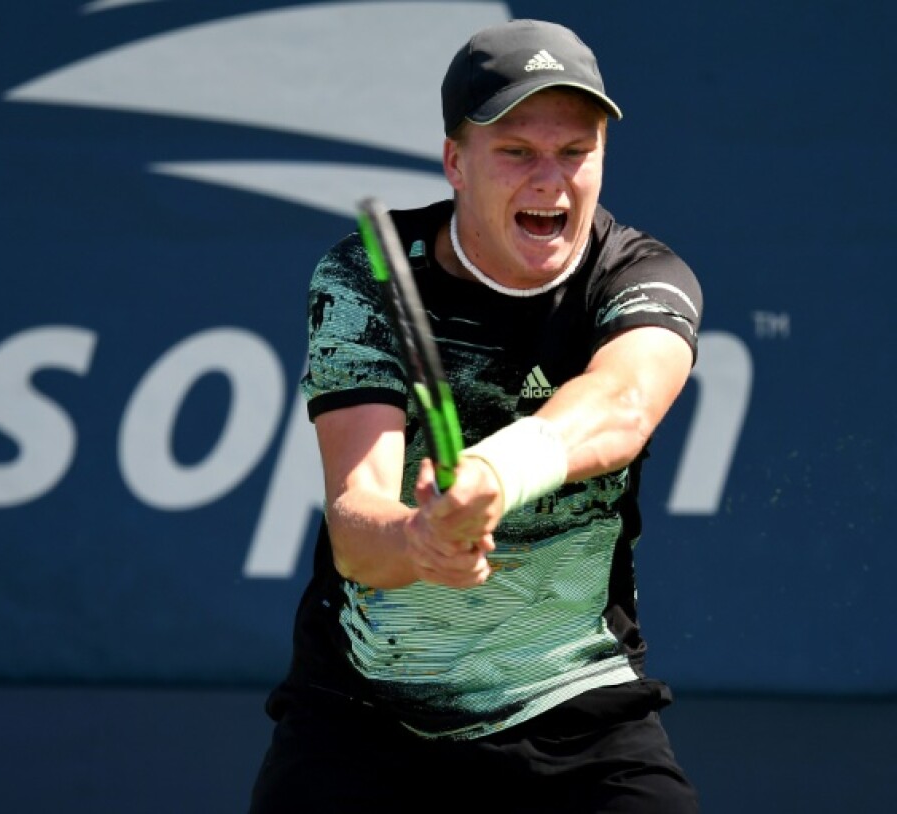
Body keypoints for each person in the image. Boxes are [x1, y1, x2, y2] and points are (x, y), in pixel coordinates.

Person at [249, 18, 702, 814]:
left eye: (575, 152)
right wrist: (419, 542)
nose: (550, 181)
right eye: (517, 152)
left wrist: (496, 473)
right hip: (362, 716)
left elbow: (622, 404)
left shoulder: (641, 273)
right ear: (456, 162)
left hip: (575, 709)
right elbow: (358, 528)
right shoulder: (372, 272)